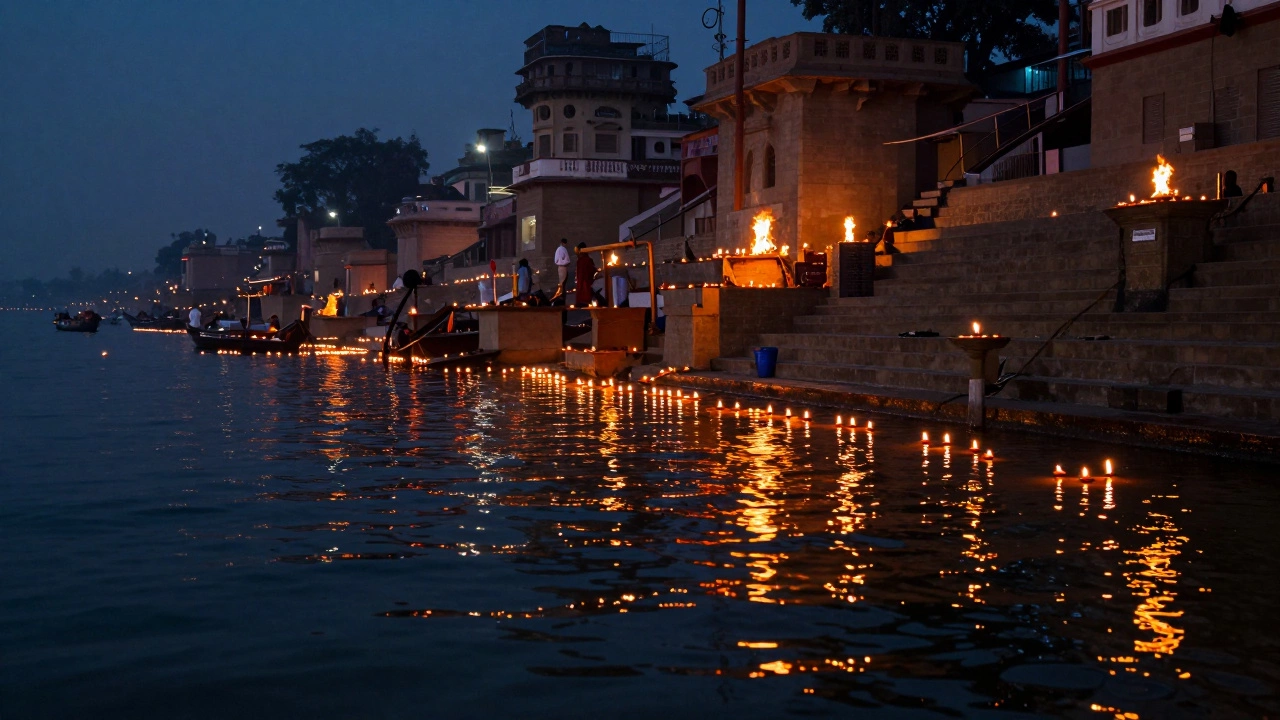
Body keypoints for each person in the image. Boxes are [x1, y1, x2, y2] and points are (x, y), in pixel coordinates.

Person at [574, 242, 597, 307]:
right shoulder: (585, 260)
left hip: (583, 280)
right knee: (585, 291)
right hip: (585, 281)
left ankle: (582, 302)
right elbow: (592, 269)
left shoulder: (581, 260)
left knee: (583, 291)